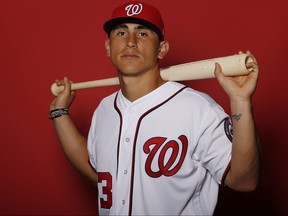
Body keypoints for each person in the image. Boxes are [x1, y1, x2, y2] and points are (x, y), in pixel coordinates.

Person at [49, 1, 261, 215]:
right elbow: (97, 171)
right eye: (121, 32)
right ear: (108, 47)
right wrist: (59, 114)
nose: (130, 42)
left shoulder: (198, 109)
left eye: (142, 34)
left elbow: (245, 180)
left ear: (162, 49)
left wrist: (240, 100)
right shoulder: (104, 110)